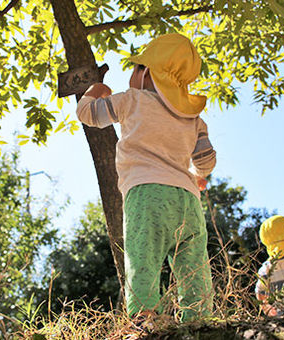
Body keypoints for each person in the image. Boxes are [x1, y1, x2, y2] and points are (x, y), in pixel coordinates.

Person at [76, 33, 216, 321]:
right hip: (188, 202)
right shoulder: (194, 119)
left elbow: (87, 114)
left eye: (136, 67)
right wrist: (198, 176)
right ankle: (199, 321)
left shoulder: (132, 100)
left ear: (146, 72)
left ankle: (146, 320)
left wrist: (96, 89)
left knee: (143, 259)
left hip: (147, 194)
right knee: (193, 267)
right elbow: (205, 161)